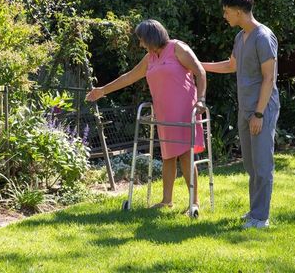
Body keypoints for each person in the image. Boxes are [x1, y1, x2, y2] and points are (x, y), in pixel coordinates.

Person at [86, 19, 207, 211]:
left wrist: (201, 99)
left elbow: (200, 72)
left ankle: (194, 202)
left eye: (142, 40)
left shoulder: (177, 48)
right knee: (168, 156)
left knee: (185, 155)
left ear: (151, 37)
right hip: (164, 113)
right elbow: (129, 77)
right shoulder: (150, 57)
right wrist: (102, 90)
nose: (141, 44)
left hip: (184, 110)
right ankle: (167, 200)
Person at [202, 0, 280, 228]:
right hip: (245, 107)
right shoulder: (240, 37)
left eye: (226, 11)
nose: (224, 16)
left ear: (238, 11)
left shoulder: (263, 37)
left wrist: (258, 113)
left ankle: (261, 218)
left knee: (262, 164)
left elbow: (269, 78)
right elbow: (230, 66)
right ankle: (255, 211)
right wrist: (197, 65)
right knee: (249, 162)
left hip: (261, 109)